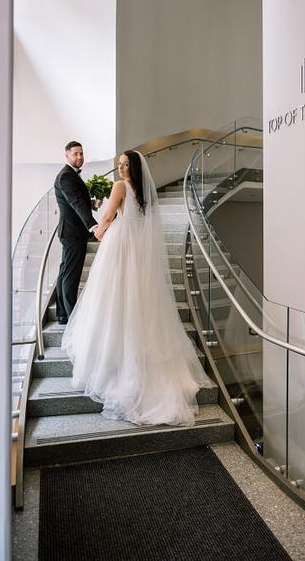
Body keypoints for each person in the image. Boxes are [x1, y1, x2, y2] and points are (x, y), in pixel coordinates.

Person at [62, 150, 212, 426]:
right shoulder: (143, 190)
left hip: (120, 246)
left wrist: (97, 229)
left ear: (132, 167)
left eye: (124, 164)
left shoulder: (120, 186)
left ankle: (113, 358)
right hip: (137, 249)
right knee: (134, 301)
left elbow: (108, 217)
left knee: (112, 299)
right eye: (119, 164)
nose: (120, 169)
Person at [54, 141, 98, 325]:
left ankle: (63, 315)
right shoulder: (66, 176)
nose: (79, 157)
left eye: (81, 153)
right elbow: (75, 203)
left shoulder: (70, 175)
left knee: (65, 273)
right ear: (67, 156)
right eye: (75, 154)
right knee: (71, 276)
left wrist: (92, 204)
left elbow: (78, 201)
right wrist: (93, 226)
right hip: (73, 233)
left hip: (70, 231)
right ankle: (72, 319)